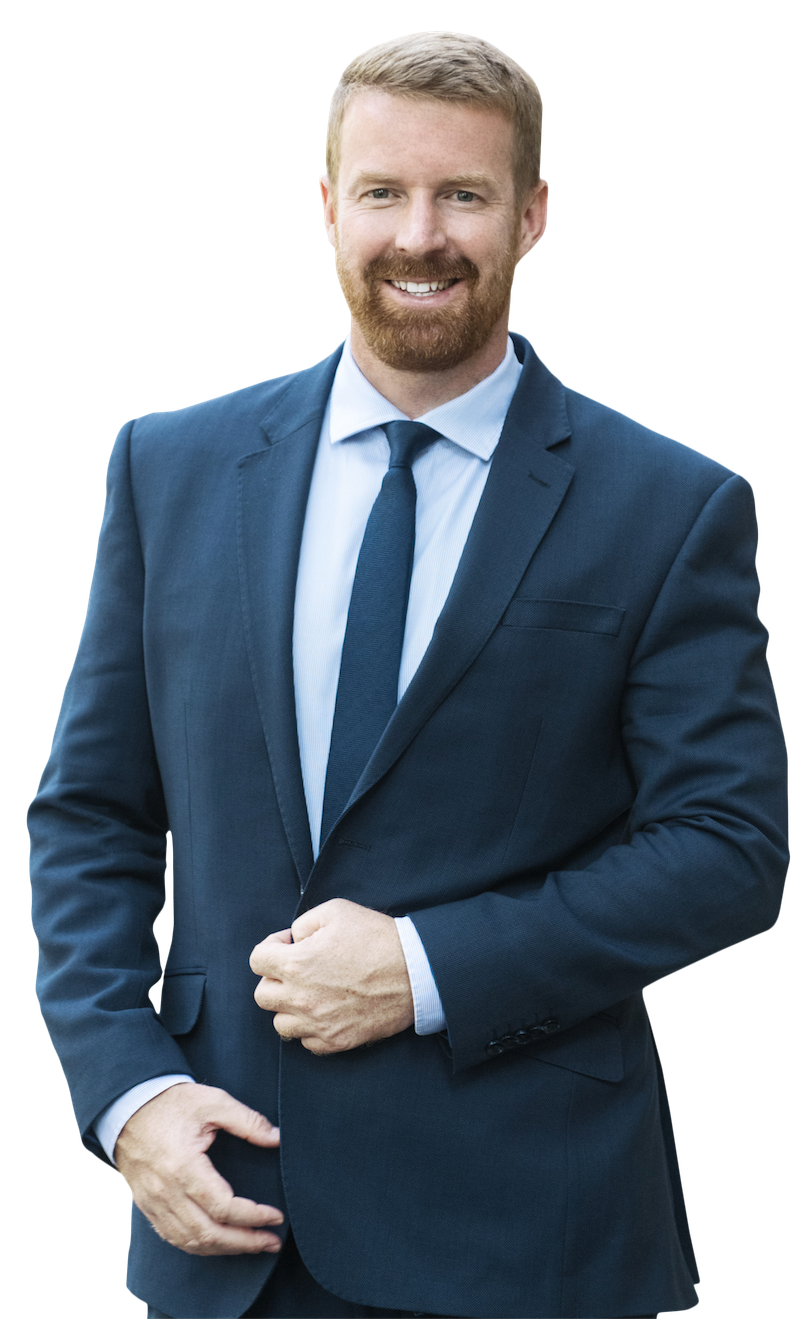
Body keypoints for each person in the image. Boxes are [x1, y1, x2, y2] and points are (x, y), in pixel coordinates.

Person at [28, 29, 789, 1319]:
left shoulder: (671, 504)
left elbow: (729, 847)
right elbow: (91, 816)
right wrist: (127, 1093)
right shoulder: (170, 467)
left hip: (530, 1229)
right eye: (383, 191)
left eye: (464, 195)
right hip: (226, 1212)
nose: (419, 236)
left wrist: (428, 967)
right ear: (328, 205)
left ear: (532, 215)